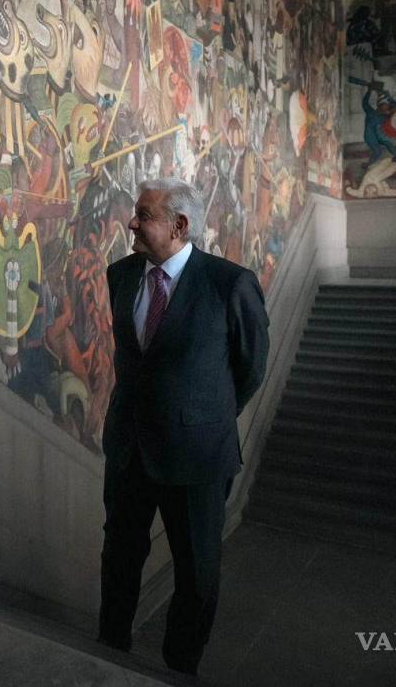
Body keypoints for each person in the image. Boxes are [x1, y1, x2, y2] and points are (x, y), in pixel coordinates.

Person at [97, 178, 269, 675]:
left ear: (180, 225)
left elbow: (250, 367)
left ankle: (178, 670)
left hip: (196, 457)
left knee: (196, 575)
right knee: (119, 559)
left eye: (144, 214)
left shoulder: (229, 283)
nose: (132, 222)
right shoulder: (121, 275)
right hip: (130, 449)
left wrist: (201, 416)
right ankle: (107, 654)